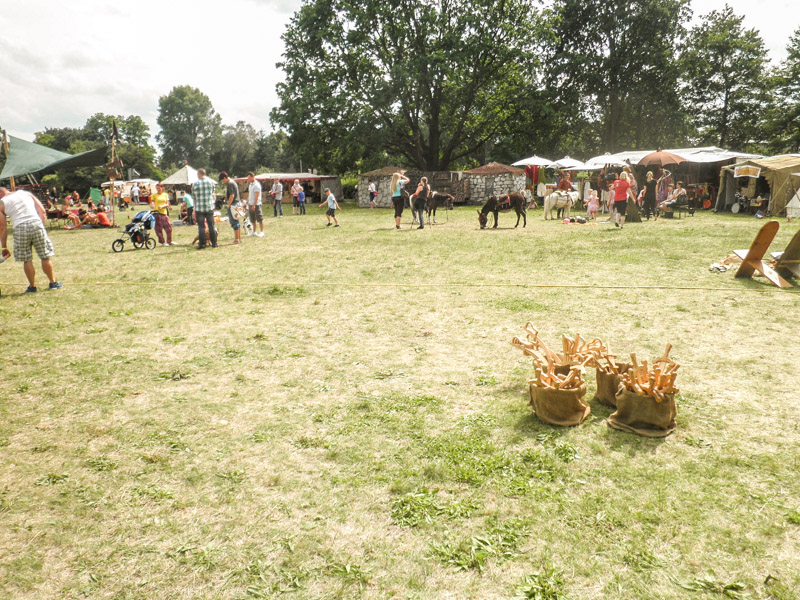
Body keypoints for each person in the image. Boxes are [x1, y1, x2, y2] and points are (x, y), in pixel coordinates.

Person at [0, 187, 62, 292]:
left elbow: (3, 228)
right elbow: (42, 211)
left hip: (20, 228)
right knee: (45, 256)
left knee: (26, 259)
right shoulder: (26, 193)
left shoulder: (1, 203)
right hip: (36, 223)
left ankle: (32, 286)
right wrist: (41, 227)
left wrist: (4, 247)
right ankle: (53, 283)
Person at [191, 168, 218, 249]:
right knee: (211, 226)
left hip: (199, 208)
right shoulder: (211, 182)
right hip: (209, 207)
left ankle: (202, 244)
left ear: (199, 174)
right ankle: (214, 243)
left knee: (201, 227)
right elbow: (213, 193)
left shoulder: (195, 184)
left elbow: (194, 197)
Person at [219, 172, 242, 245]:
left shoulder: (230, 184)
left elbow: (232, 195)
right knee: (237, 221)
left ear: (225, 178)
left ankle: (236, 239)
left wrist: (228, 205)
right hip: (237, 203)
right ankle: (239, 238)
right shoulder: (233, 182)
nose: (223, 182)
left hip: (233, 204)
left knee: (234, 222)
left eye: (222, 180)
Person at [247, 172, 264, 237]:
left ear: (253, 177)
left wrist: (254, 205)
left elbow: (257, 196)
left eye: (249, 178)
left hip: (256, 204)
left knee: (259, 218)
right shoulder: (250, 185)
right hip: (250, 204)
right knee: (252, 219)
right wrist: (247, 201)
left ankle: (262, 232)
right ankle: (254, 232)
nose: (248, 179)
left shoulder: (257, 185)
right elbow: (250, 194)